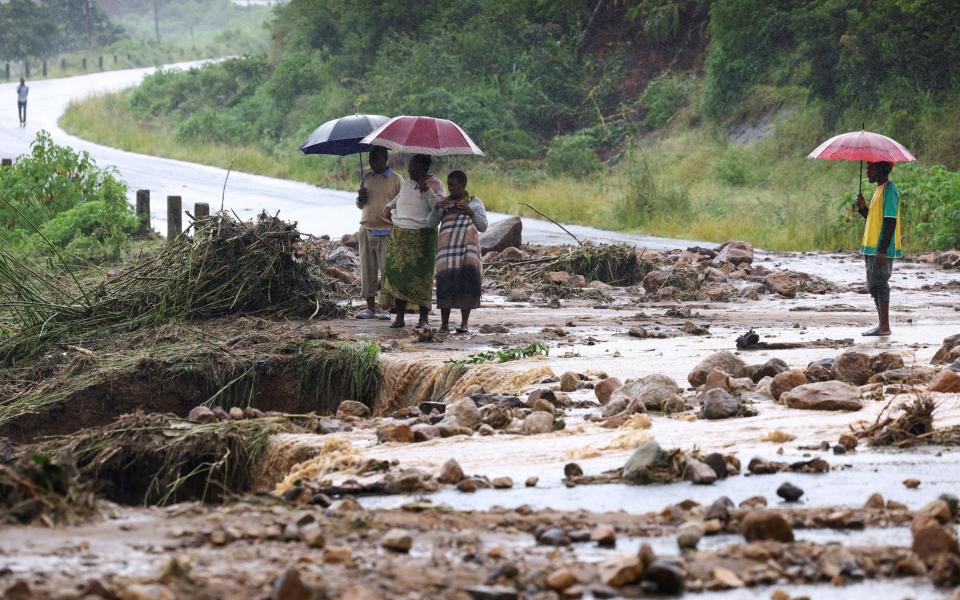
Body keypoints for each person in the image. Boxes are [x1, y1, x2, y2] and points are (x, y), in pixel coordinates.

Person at [381, 154, 445, 328]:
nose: (410, 169)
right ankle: (399, 317)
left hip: (422, 236)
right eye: (410, 166)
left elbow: (439, 207)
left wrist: (427, 191)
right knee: (399, 276)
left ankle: (423, 318)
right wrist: (389, 206)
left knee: (421, 279)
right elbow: (400, 197)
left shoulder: (436, 185)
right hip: (400, 233)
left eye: (414, 166)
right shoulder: (407, 183)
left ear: (425, 168)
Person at [428, 170, 487, 333]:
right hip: (446, 253)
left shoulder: (475, 202)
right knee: (445, 285)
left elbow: (483, 226)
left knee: (466, 284)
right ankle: (444, 324)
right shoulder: (444, 203)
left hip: (467, 252)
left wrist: (471, 212)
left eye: (454, 185)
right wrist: (436, 208)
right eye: (449, 185)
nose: (451, 188)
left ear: (463, 185)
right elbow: (430, 223)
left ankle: (464, 324)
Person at [355, 146, 403, 320]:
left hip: (386, 230)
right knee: (367, 270)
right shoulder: (366, 177)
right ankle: (370, 307)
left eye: (376, 159)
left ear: (385, 159)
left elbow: (402, 204)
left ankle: (385, 307)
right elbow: (360, 205)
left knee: (387, 270)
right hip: (366, 228)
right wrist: (361, 197)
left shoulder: (397, 179)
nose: (373, 163)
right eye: (370, 160)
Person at [855, 160, 901, 336]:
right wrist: (862, 209)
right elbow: (874, 220)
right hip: (872, 247)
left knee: (880, 284)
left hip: (880, 248)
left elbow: (890, 221)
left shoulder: (890, 190)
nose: (867, 172)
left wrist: (882, 249)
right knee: (874, 285)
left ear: (881, 169)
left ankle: (884, 327)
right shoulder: (879, 190)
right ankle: (881, 325)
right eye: (867, 168)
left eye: (870, 168)